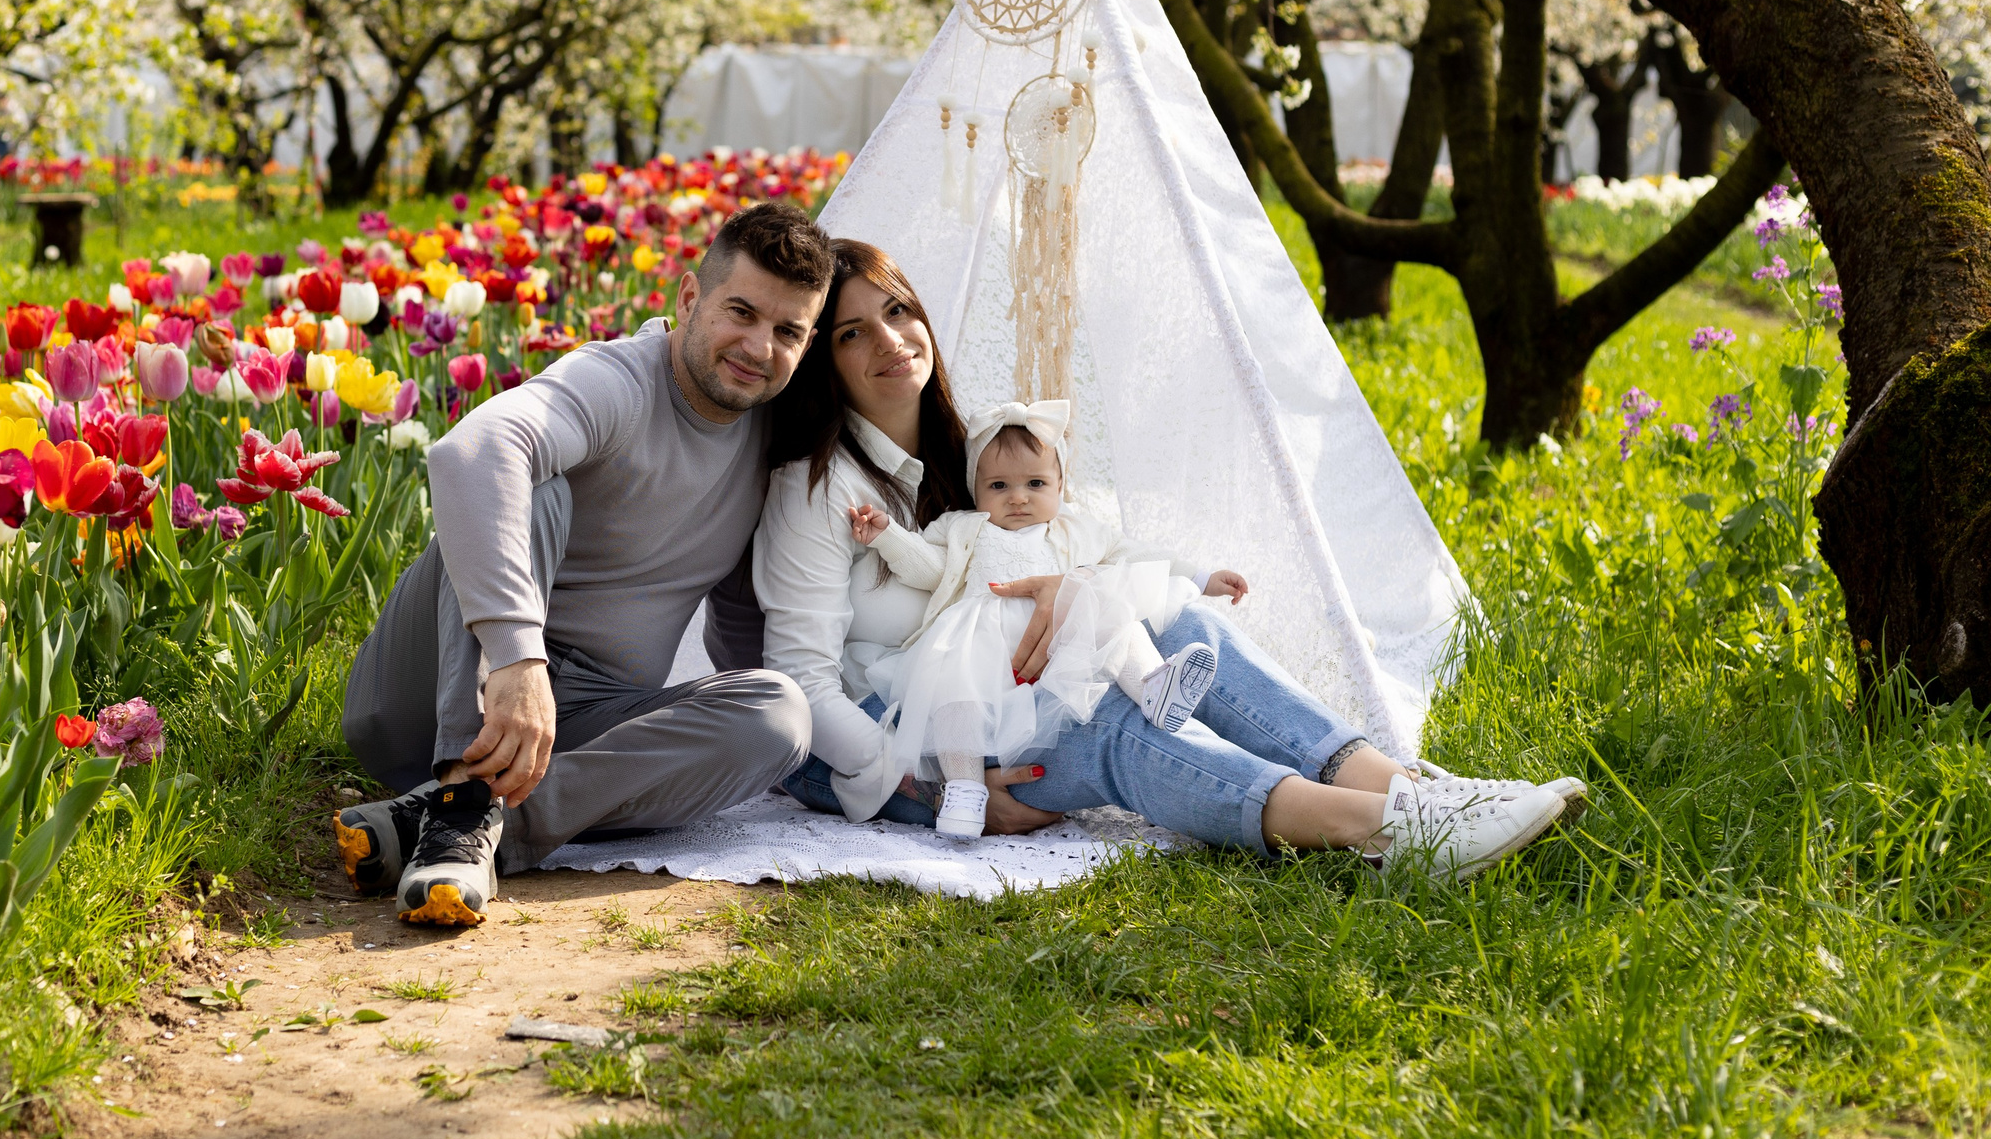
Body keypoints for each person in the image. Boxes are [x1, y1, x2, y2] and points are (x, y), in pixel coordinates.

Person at [754, 239, 1587, 879]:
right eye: (850, 333)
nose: (892, 340)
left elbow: (1047, 552)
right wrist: (927, 795)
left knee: (1173, 622)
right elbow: (802, 684)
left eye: (899, 310)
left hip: (1016, 683)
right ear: (820, 364)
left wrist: (1078, 590)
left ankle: (1399, 782)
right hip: (935, 741)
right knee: (1117, 727)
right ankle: (1383, 832)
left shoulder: (963, 458)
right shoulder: (816, 488)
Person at [332, 202, 833, 926]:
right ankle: (459, 789)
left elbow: (738, 636)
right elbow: (472, 451)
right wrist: (516, 655)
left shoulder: (769, 450)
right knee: (534, 486)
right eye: (742, 312)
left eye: (788, 331)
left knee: (781, 712)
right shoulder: (618, 382)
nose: (759, 345)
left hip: (579, 722)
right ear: (690, 297)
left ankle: (476, 824)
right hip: (437, 686)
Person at [847, 402, 1224, 837]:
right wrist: (888, 536)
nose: (1019, 497)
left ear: (1061, 485)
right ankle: (965, 791)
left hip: (1058, 641)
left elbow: (1135, 554)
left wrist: (1201, 575)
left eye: (1036, 483)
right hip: (979, 642)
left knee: (1112, 611)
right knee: (954, 698)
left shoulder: (1076, 529)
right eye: (999, 485)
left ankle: (1152, 687)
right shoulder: (965, 527)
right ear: (976, 489)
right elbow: (930, 567)